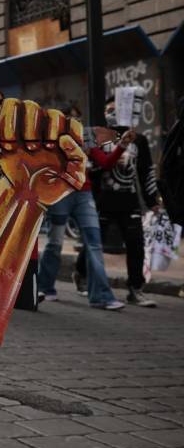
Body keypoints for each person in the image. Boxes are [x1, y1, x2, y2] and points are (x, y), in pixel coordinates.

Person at [37, 126, 133, 310]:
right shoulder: (51, 137)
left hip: (84, 195)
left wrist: (121, 145)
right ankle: (44, 287)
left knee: (94, 244)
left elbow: (105, 163)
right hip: (60, 194)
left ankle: (101, 297)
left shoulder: (84, 136)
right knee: (54, 243)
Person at [78, 97, 161, 307]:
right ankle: (82, 274)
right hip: (102, 200)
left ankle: (135, 289)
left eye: (116, 109)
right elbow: (88, 168)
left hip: (129, 201)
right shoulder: (94, 135)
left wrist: (152, 200)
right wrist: (112, 158)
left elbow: (146, 171)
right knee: (94, 243)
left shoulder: (138, 140)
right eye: (109, 109)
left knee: (136, 244)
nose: (112, 113)